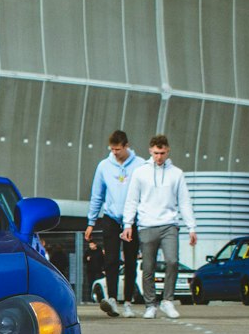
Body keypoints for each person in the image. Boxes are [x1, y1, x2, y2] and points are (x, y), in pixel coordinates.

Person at [120, 133, 197, 319]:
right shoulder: (140, 172)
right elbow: (132, 199)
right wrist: (128, 224)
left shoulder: (177, 173)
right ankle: (150, 304)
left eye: (162, 153)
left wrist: (191, 226)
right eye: (155, 153)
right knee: (148, 267)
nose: (159, 157)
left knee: (172, 261)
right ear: (150, 151)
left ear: (167, 151)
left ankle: (167, 300)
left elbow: (184, 201)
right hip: (146, 224)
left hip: (169, 223)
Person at [84, 129, 145, 317]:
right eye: (112, 149)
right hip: (111, 216)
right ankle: (112, 299)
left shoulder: (140, 165)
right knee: (110, 259)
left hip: (132, 219)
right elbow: (97, 195)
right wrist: (91, 221)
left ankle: (127, 301)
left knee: (130, 260)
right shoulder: (104, 166)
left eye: (118, 149)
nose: (115, 153)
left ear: (126, 146)